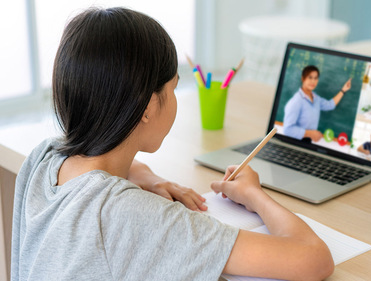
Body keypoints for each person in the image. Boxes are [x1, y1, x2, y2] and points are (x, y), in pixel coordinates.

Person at [11, 8, 334, 281]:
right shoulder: (135, 217)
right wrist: (255, 196)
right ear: (149, 108)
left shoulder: (47, 156)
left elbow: (104, 174)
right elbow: (313, 258)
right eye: (174, 88)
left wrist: (150, 178)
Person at [283, 65, 352, 142]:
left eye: (316, 78)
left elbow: (330, 105)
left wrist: (343, 90)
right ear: (303, 78)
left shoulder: (316, 98)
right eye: (310, 77)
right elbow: (287, 129)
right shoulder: (296, 101)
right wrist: (310, 133)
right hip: (295, 143)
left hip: (308, 142)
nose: (313, 81)